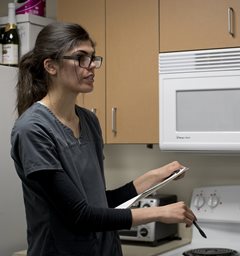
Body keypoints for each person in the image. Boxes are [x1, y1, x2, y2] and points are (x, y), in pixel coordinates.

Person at [10, 22, 196, 256]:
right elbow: (79, 215)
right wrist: (159, 213)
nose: (91, 67)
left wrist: (153, 178)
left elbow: (100, 203)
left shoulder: (88, 121)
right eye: (81, 58)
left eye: (93, 58)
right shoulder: (32, 130)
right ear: (51, 66)